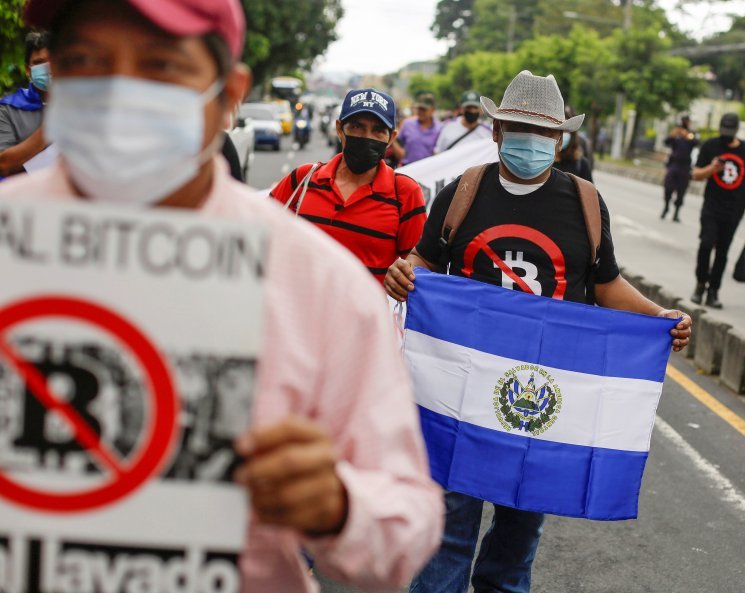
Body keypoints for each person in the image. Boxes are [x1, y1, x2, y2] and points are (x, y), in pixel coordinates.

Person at [8, 1, 443, 590]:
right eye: (86, 60)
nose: (120, 90)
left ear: (227, 92)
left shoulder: (321, 284)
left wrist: (338, 506)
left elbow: (404, 532)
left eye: (161, 65)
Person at [383, 70, 692, 593]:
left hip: (543, 396)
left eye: (544, 132)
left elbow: (606, 282)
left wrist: (656, 315)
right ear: (497, 131)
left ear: (560, 140)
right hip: (462, 391)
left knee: (520, 532)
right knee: (450, 527)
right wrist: (402, 271)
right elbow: (424, 263)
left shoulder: (585, 203)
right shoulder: (464, 192)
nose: (533, 141)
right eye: (520, 129)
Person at [269, 88, 426, 285]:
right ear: (339, 129)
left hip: (365, 315)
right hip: (293, 312)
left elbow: (419, 263)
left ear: (391, 138)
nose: (366, 136)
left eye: (378, 130)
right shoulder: (303, 179)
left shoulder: (404, 193)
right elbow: (257, 236)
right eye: (357, 127)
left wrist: (403, 273)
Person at [689, 113, 745, 309]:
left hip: (734, 210)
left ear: (736, 130)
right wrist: (712, 168)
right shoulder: (710, 146)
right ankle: (700, 284)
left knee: (723, 251)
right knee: (706, 245)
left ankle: (714, 291)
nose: (726, 134)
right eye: (724, 130)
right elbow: (695, 175)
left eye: (730, 131)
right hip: (712, 206)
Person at [0, 31, 51, 178]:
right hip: (22, 196)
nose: (47, 69)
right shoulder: (7, 109)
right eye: (39, 62)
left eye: (51, 62)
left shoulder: (83, 102)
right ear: (28, 70)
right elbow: (3, 164)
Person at [661, 115, 699, 222]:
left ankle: (676, 213)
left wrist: (687, 135)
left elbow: (696, 143)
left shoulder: (691, 134)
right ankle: (666, 207)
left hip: (685, 166)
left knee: (681, 190)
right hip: (674, 164)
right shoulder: (676, 132)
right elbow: (666, 142)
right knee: (668, 187)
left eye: (686, 121)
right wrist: (674, 135)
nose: (685, 122)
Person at [393, 92, 441, 165]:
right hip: (407, 169)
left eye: (424, 109)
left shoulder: (439, 128)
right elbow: (399, 144)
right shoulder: (407, 124)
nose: (420, 112)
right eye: (419, 108)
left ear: (432, 110)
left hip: (430, 171)